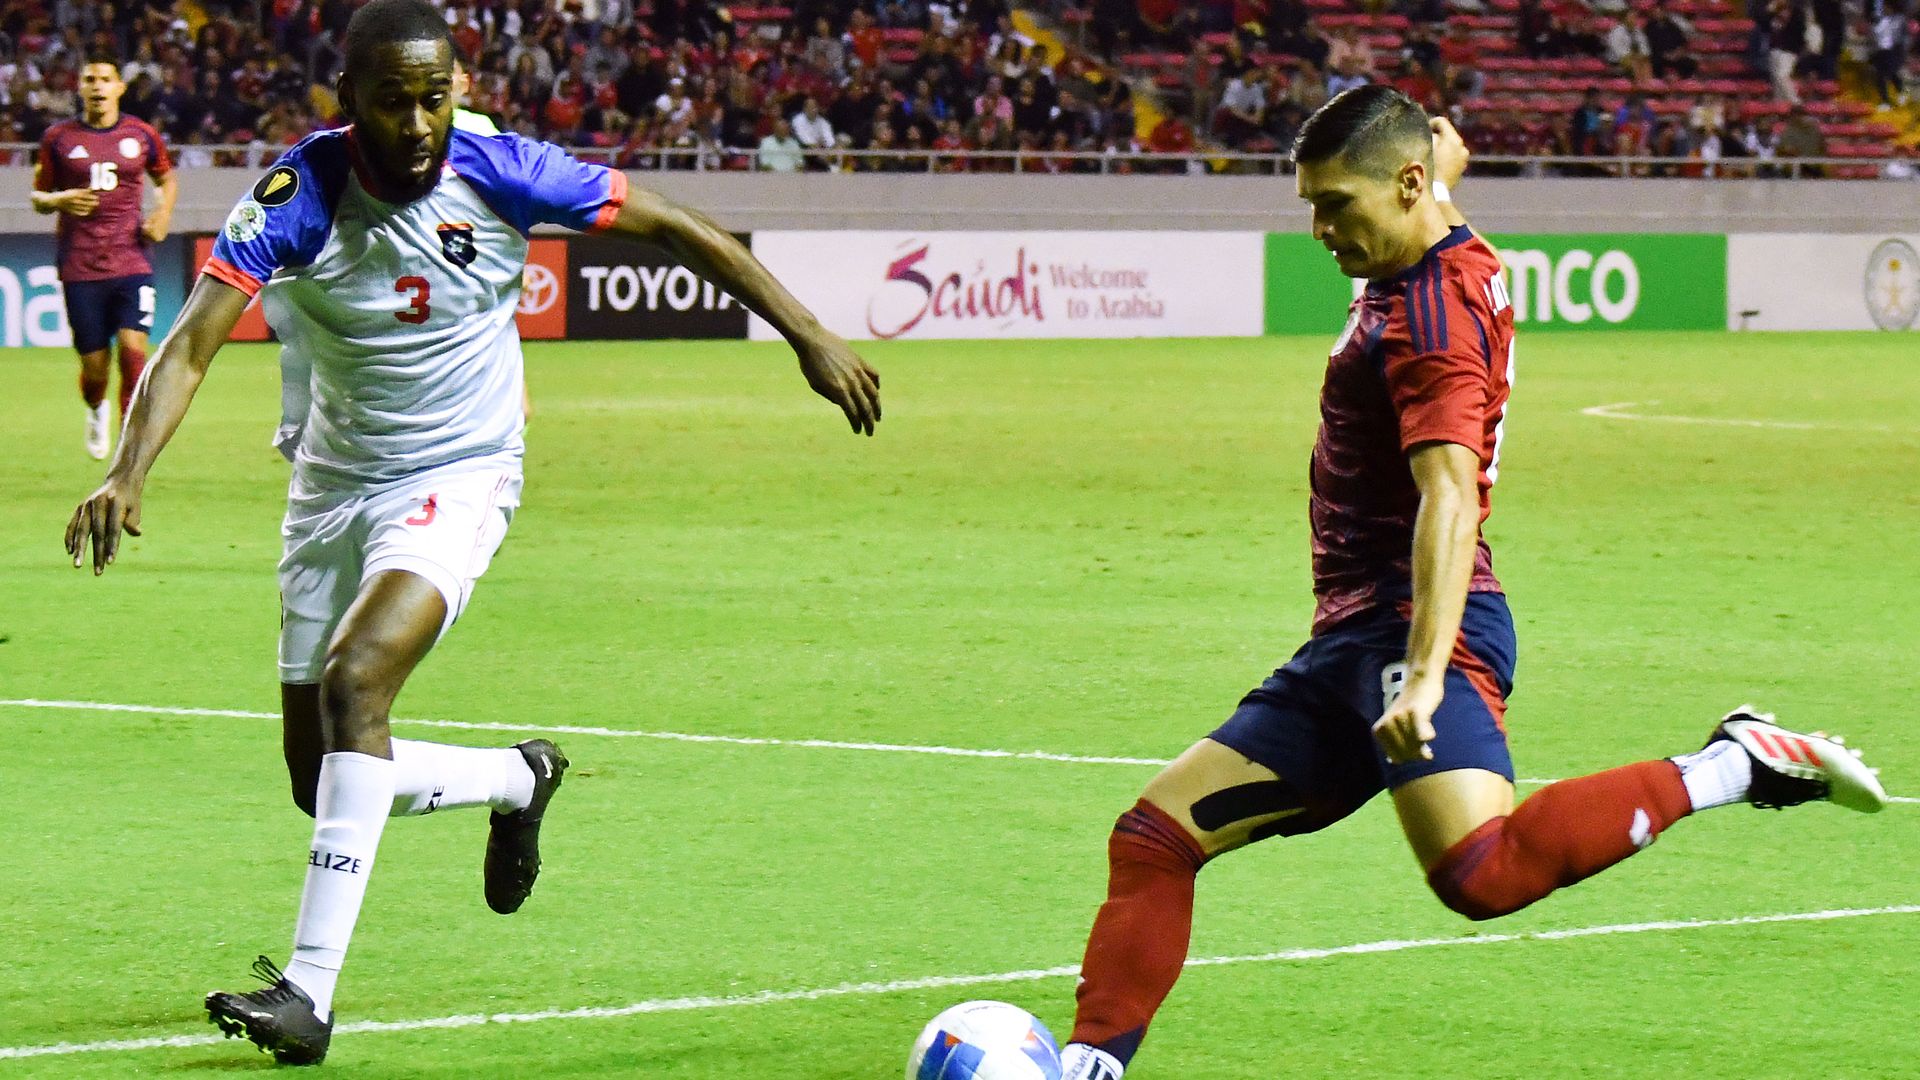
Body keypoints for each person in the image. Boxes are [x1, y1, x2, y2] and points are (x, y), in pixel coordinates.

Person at [64, 0, 881, 1066]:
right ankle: (513, 779)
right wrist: (127, 469)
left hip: (461, 471)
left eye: (435, 96)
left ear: (456, 91)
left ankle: (307, 996)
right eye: (393, 101)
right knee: (321, 780)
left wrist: (808, 333)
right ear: (348, 100)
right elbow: (190, 342)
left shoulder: (507, 169)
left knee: (359, 684)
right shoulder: (299, 194)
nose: (417, 122)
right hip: (331, 485)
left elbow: (676, 223)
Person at [1053, 85, 1886, 1080]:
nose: (1320, 230)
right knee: (1154, 838)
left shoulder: (1432, 318)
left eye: (1336, 207)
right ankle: (1088, 1068)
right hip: (1351, 644)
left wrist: (1429, 670)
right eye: (1311, 205)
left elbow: (1449, 496)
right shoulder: (1428, 223)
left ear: (1403, 188)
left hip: (1416, 631)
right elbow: (1436, 154)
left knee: (1480, 872)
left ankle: (1737, 764)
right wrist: (1443, 160)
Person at [31, 50, 178, 460]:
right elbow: (37, 196)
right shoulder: (58, 139)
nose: (97, 86)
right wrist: (59, 199)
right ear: (80, 88)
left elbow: (166, 180)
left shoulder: (142, 135)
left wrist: (162, 214)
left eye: (104, 79)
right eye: (89, 79)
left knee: (133, 356)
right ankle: (96, 408)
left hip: (132, 261)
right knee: (95, 370)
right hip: (80, 266)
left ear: (119, 88)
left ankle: (128, 451)